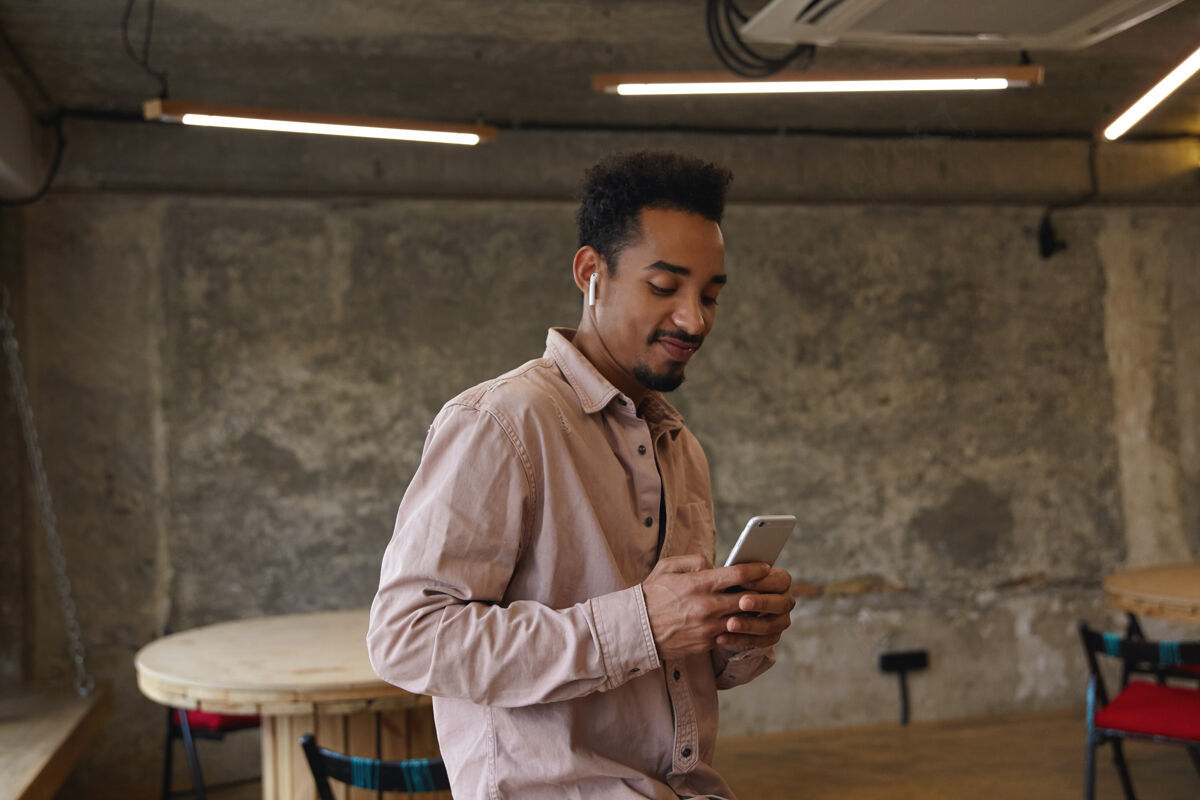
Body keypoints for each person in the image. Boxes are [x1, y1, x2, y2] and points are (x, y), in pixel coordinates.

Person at [367, 151, 795, 799]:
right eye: (664, 287)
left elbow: (666, 660)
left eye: (709, 295)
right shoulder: (502, 423)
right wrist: (640, 624)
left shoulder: (679, 445)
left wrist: (733, 634)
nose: (694, 320)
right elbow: (406, 640)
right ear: (591, 273)